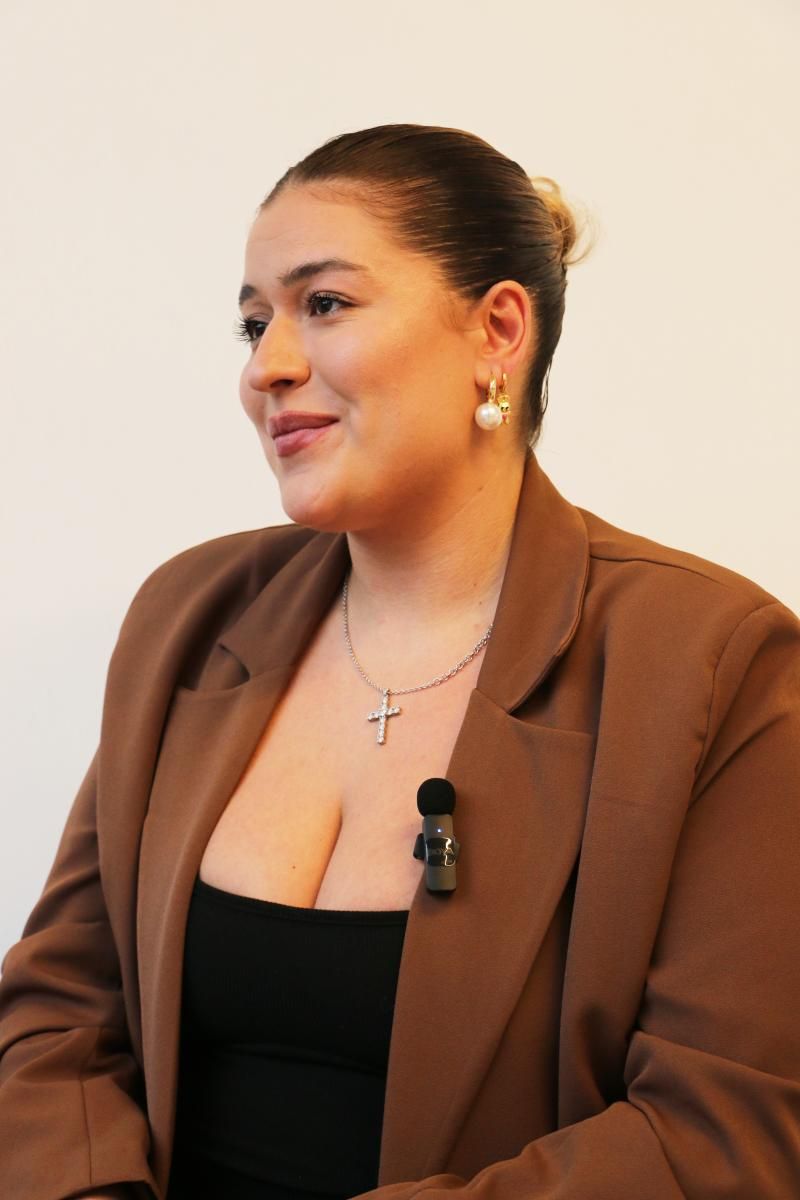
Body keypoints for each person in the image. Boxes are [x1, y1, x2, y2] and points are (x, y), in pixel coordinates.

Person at [1, 123, 798, 1200]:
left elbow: (721, 1132)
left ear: (497, 330)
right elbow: (55, 1015)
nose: (266, 367)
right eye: (252, 323)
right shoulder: (187, 617)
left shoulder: (715, 663)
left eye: (324, 303)